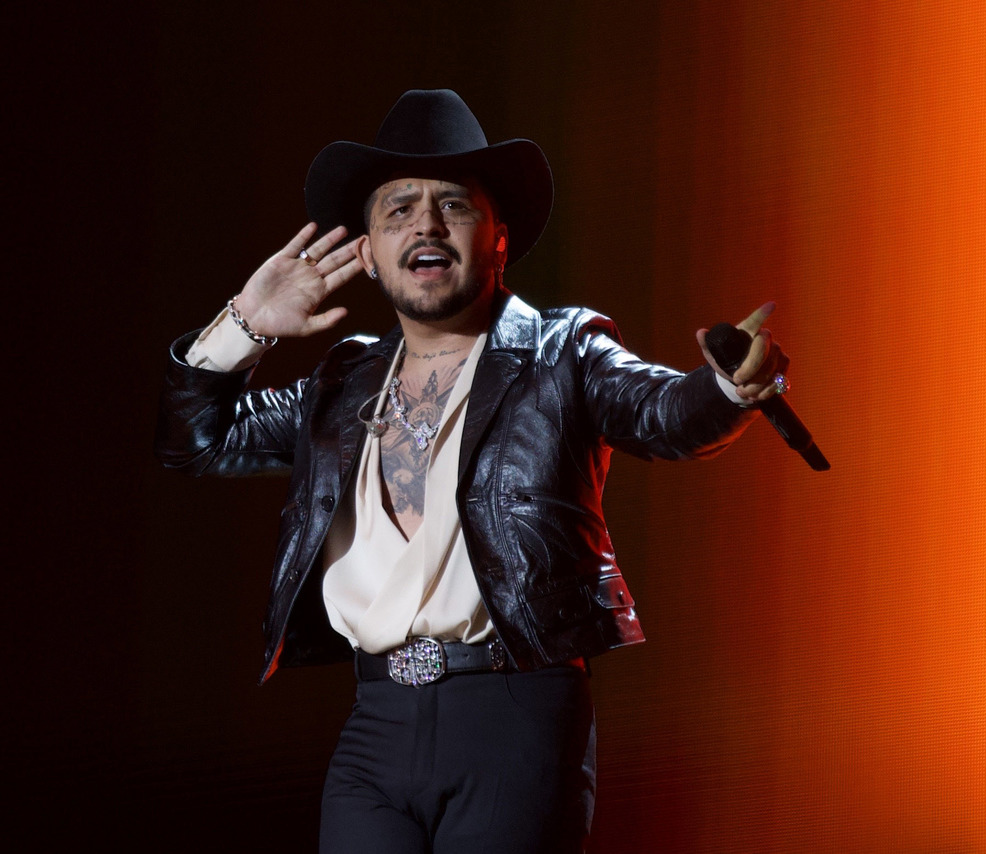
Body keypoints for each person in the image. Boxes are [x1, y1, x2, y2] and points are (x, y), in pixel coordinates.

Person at [156, 89, 791, 853]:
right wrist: (244, 325)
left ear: (499, 240)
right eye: (398, 210)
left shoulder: (562, 352)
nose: (425, 223)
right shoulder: (341, 383)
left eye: (453, 204)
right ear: (368, 252)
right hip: (375, 727)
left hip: (515, 717)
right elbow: (199, 441)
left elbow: (663, 412)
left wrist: (727, 388)